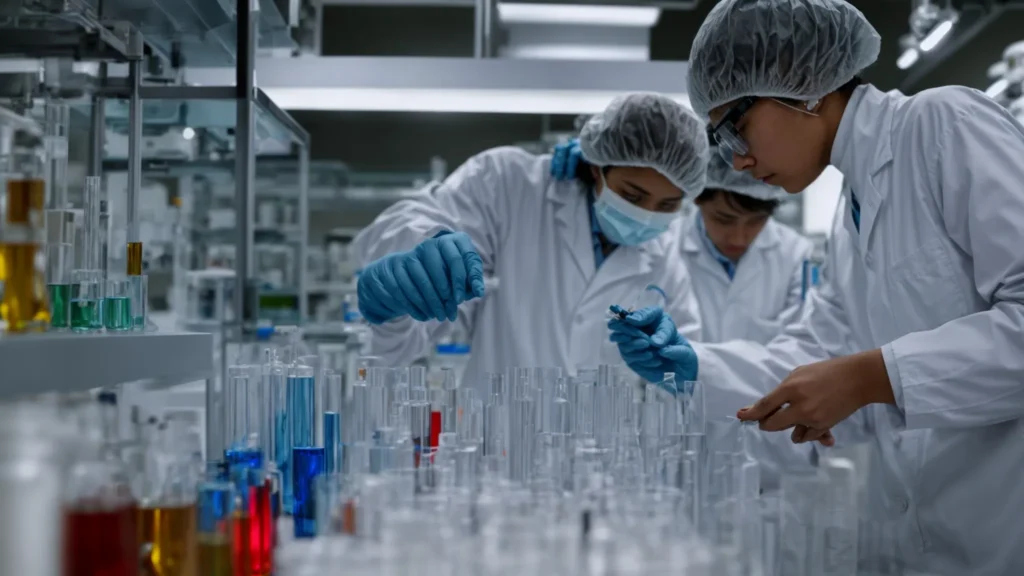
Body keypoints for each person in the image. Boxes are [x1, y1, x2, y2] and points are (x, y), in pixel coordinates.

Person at [607, 0, 1024, 572]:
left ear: (798, 82)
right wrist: (694, 363)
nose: (742, 159)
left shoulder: (942, 123)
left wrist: (875, 375)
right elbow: (819, 350)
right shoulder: (849, 210)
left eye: (736, 127)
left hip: (1000, 533)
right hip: (923, 540)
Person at [352, 92, 709, 393]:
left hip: (603, 467)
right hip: (497, 455)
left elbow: (684, 372)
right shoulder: (512, 186)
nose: (647, 215)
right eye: (632, 195)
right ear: (598, 168)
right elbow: (420, 220)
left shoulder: (666, 259)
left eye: (667, 205)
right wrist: (411, 260)